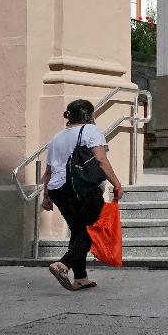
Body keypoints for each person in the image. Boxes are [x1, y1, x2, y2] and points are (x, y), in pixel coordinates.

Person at [42, 99, 124, 291]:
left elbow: (48, 170)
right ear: (89, 115)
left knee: (79, 230)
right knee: (94, 227)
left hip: (57, 190)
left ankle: (80, 278)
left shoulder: (57, 137)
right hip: (81, 187)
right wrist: (117, 184)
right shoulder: (90, 131)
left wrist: (46, 196)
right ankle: (63, 264)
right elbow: (101, 160)